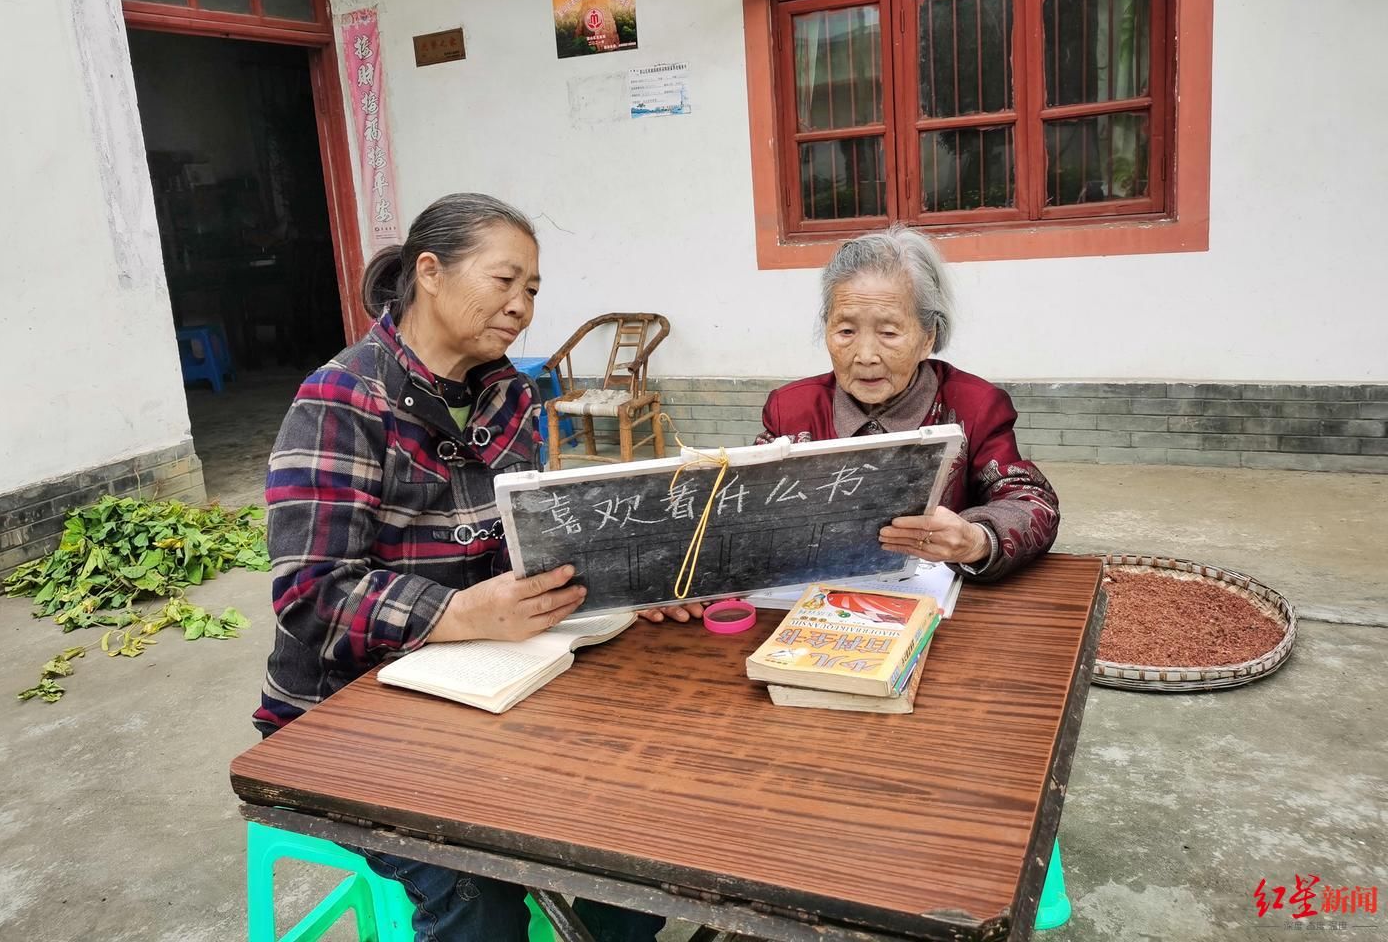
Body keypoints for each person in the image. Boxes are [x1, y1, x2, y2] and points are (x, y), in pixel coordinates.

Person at [253, 192, 665, 941]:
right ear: (431, 272)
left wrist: (639, 577)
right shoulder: (340, 400)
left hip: (487, 680)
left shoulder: (508, 391)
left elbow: (533, 540)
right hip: (348, 716)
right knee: (475, 882)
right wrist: (458, 613)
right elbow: (311, 594)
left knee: (632, 824)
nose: (522, 307)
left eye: (533, 290)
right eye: (505, 281)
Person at [638, 225, 1058, 628]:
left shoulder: (973, 405)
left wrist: (977, 539)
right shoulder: (793, 410)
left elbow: (1031, 502)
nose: (865, 355)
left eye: (889, 332)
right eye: (845, 330)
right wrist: (692, 575)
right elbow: (746, 510)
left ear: (928, 336)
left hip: (937, 622)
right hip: (812, 614)